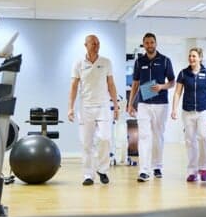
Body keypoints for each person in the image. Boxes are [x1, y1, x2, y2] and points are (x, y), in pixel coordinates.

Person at [68, 35, 119, 186]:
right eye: (93, 43)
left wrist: (116, 106)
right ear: (86, 45)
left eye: (98, 43)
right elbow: (74, 86)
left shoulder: (106, 62)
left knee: (105, 138)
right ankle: (88, 175)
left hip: (103, 106)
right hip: (86, 107)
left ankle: (102, 170)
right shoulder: (78, 63)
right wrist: (70, 108)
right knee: (86, 143)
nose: (96, 46)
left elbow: (111, 84)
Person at [127, 33, 175, 182]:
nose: (149, 45)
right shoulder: (139, 61)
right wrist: (130, 104)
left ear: (156, 43)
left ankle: (157, 166)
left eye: (152, 42)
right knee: (144, 136)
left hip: (161, 103)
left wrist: (161, 86)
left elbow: (172, 82)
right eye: (147, 43)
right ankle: (144, 170)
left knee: (158, 136)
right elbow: (135, 84)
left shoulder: (165, 61)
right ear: (144, 45)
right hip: (143, 104)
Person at [171, 47, 206, 183]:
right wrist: (174, 109)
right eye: (190, 56)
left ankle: (204, 168)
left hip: (204, 111)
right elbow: (177, 92)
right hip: (188, 112)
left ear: (200, 58)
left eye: (194, 56)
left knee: (204, 137)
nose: (191, 58)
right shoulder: (183, 73)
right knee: (190, 141)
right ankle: (192, 171)